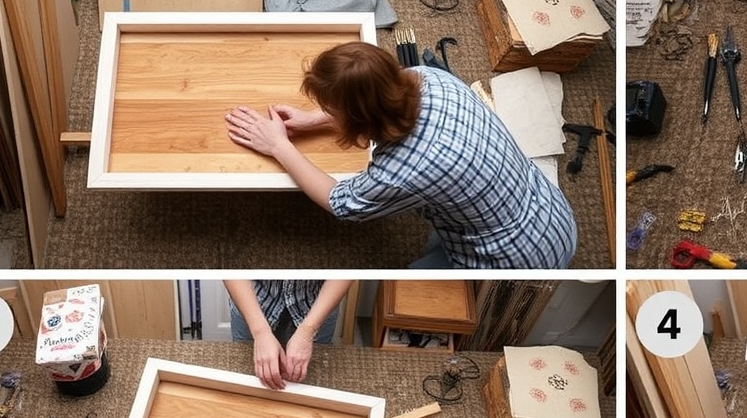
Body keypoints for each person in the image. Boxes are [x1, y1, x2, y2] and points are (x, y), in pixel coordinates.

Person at [224, 42, 577, 269]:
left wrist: (279, 147)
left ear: (360, 120)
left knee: (415, 276)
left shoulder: (403, 170)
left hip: (520, 259)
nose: (324, 110)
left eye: (331, 107)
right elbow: (379, 101)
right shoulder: (431, 78)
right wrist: (315, 120)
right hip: (554, 213)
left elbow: (341, 203)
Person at [225, 280, 352, 389]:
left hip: (318, 305)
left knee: (313, 385)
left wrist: (307, 331)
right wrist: (260, 332)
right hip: (252, 302)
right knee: (248, 385)